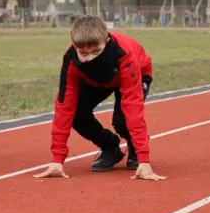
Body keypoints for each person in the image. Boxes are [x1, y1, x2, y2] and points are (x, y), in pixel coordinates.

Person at [33, 15, 165, 181]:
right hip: (96, 80)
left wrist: (144, 158)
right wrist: (57, 160)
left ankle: (135, 149)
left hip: (134, 72)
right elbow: (64, 107)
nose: (90, 58)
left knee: (122, 119)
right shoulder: (71, 62)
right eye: (83, 53)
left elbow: (133, 106)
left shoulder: (124, 55)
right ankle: (109, 146)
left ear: (107, 41)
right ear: (74, 46)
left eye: (96, 51)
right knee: (76, 113)